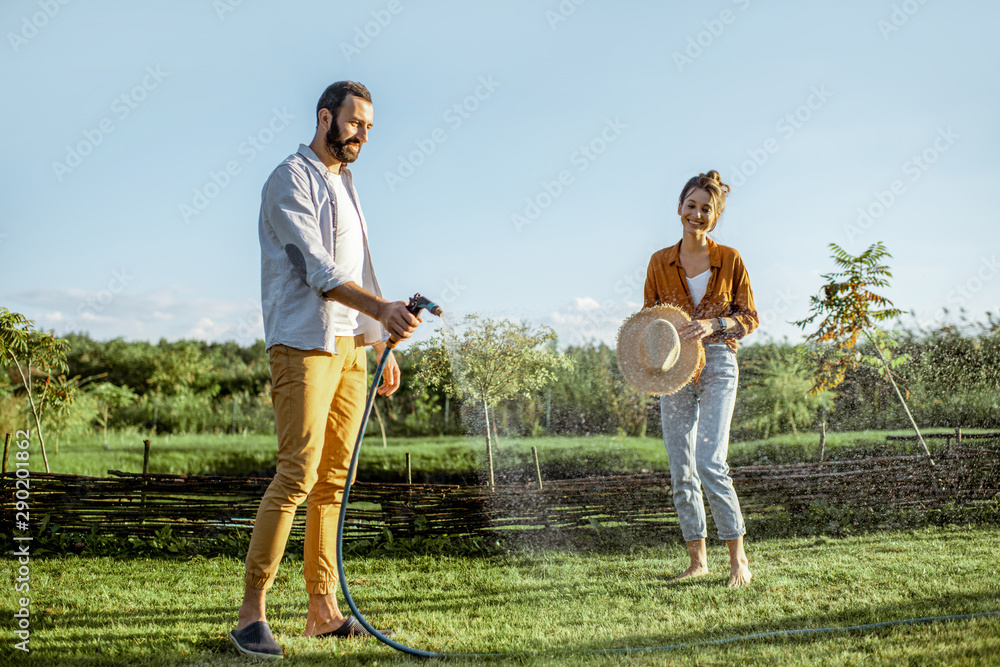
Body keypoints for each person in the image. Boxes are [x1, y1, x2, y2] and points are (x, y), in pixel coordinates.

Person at [229, 81, 420, 660]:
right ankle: (250, 615)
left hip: (349, 348)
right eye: (354, 122)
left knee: (337, 480)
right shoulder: (289, 179)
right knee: (297, 476)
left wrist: (379, 335)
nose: (362, 133)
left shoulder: (347, 184)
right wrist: (381, 311)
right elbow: (316, 268)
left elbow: (360, 265)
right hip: (303, 343)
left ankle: (322, 610)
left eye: (368, 126)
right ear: (325, 118)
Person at [643, 170, 758, 588]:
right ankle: (697, 560)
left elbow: (749, 318)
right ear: (679, 209)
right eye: (690, 205)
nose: (697, 213)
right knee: (681, 466)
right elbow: (650, 318)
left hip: (718, 362)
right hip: (673, 367)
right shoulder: (659, 261)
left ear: (715, 216)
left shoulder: (730, 259)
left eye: (705, 209)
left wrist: (714, 325)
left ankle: (738, 560)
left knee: (711, 460)